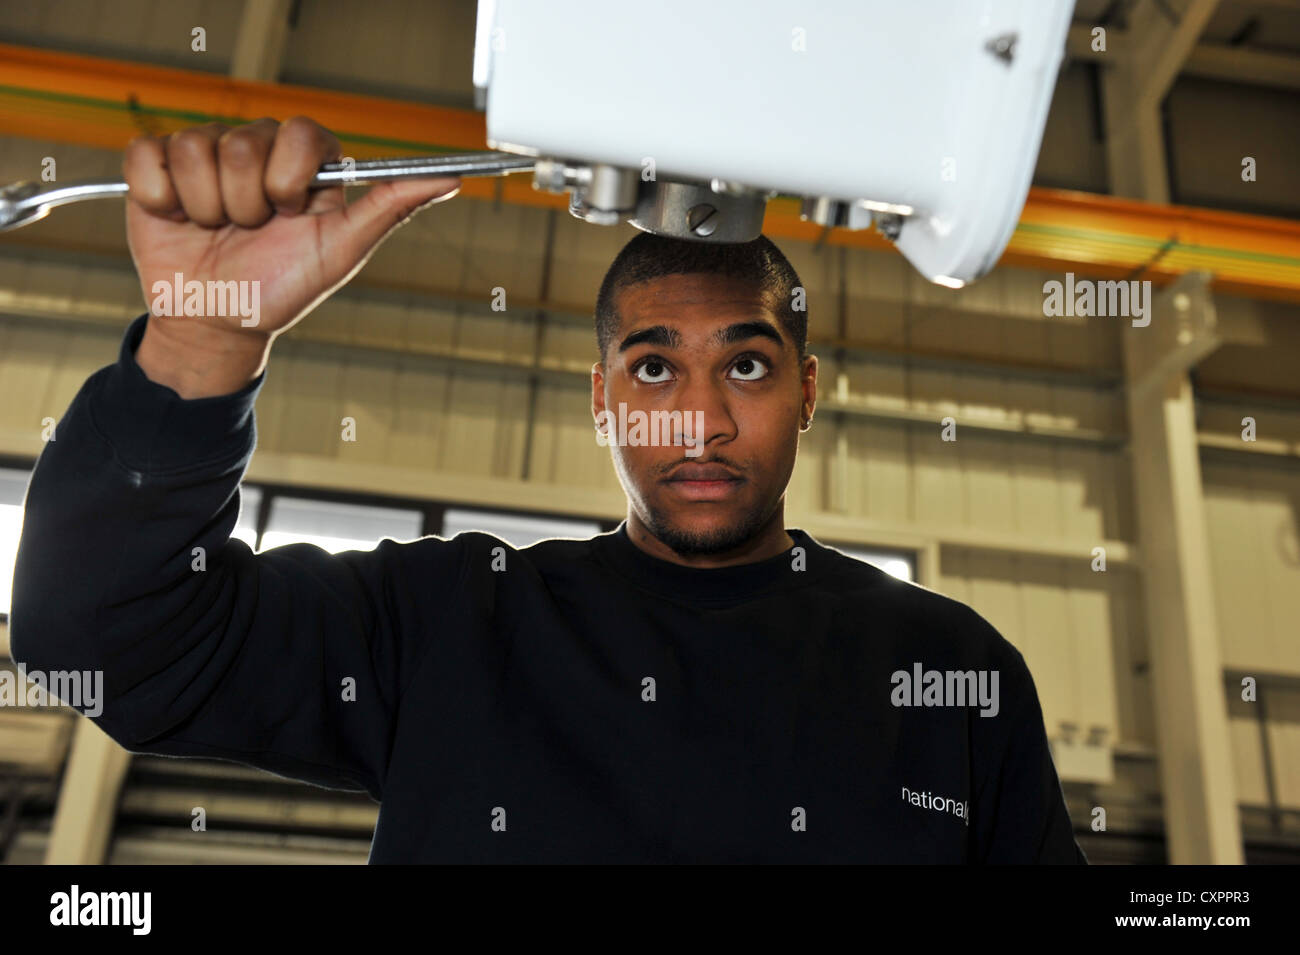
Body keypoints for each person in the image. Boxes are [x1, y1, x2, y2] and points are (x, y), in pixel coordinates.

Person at [10, 117, 1087, 864]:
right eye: (653, 366)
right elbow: (104, 644)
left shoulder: (950, 668)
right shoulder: (452, 623)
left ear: (806, 391)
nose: (698, 419)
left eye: (747, 366)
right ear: (602, 397)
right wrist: (203, 338)